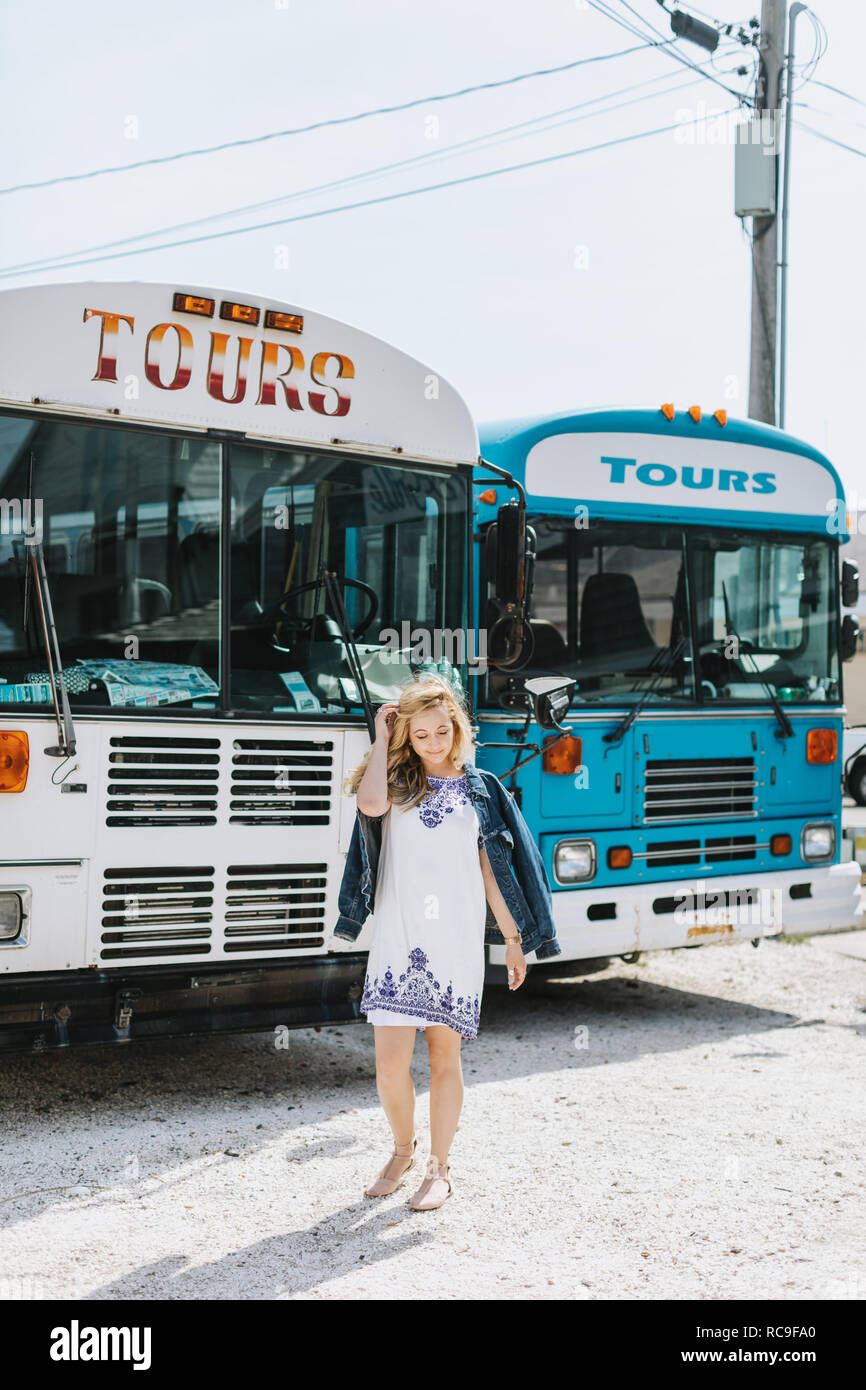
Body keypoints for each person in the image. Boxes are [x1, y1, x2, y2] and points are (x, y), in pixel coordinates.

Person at [339, 671, 557, 1211]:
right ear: (407, 737)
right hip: (398, 937)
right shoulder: (395, 781)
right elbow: (367, 808)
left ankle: (440, 1167)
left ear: (456, 728)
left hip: (453, 942)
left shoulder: (481, 789)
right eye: (421, 735)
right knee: (389, 1064)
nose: (433, 743)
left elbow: (493, 872)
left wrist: (512, 939)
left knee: (444, 1061)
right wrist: (380, 738)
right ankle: (400, 1150)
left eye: (441, 731)